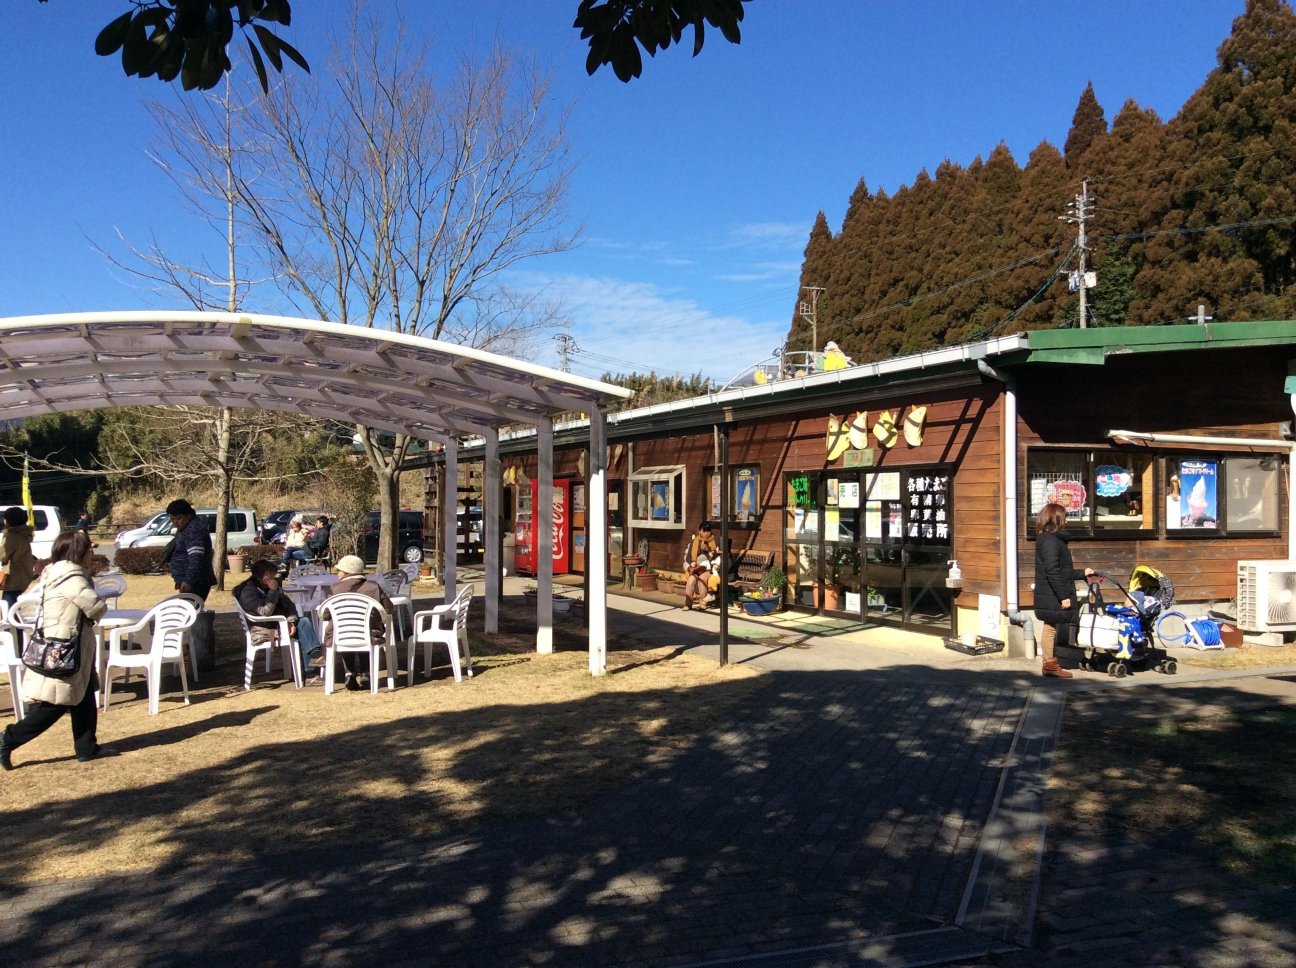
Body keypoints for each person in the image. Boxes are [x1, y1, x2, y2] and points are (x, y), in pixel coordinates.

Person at [1, 530, 114, 769]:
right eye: (88, 548)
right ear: (78, 552)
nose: (91, 553)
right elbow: (95, 608)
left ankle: (86, 747)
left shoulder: (54, 573)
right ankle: (7, 739)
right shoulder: (73, 578)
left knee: (83, 696)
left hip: (64, 645)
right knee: (55, 704)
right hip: (67, 649)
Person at [234, 559, 324, 685]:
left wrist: (291, 622)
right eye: (270, 574)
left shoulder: (270, 586)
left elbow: (289, 604)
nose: (273, 577)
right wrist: (272, 591)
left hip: (279, 624)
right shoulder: (248, 591)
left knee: (302, 623)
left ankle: (312, 663)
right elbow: (265, 612)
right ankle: (312, 666)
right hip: (262, 628)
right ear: (260, 576)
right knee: (303, 625)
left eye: (274, 573)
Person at [1033, 502, 1094, 680]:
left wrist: (1083, 573)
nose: (1066, 521)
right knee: (1050, 627)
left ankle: (1050, 662)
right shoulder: (1050, 541)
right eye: (1064, 517)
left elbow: (1061, 570)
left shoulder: (1050, 539)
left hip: (1051, 592)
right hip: (1052, 593)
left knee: (1050, 626)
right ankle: (1049, 665)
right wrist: (1063, 596)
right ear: (1056, 518)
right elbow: (1052, 570)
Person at [319, 554, 392, 691]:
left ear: (347, 572)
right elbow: (388, 608)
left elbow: (326, 614)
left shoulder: (335, 588)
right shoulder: (374, 586)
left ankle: (349, 673)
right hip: (370, 634)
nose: (337, 574)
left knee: (346, 632)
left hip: (341, 635)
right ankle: (365, 672)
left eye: (339, 571)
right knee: (365, 631)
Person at [166, 499, 216, 601]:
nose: (175, 522)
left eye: (179, 518)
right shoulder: (186, 527)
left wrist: (189, 580)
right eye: (172, 519)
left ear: (188, 515)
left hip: (196, 581)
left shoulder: (194, 530)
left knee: (190, 613)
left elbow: (196, 558)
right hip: (188, 579)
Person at [0, 506, 37, 608]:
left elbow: (2, 556)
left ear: (8, 521)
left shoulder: (12, 536)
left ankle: (14, 623)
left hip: (13, 577)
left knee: (9, 607)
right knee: (14, 606)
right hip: (24, 575)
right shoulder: (25, 533)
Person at [682, 521, 719, 610]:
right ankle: (688, 603)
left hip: (708, 569)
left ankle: (703, 602)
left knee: (702, 579)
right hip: (696, 568)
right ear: (700, 531)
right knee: (691, 580)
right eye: (704, 531)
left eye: (708, 531)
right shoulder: (694, 542)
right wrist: (691, 563)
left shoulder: (714, 542)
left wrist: (707, 549)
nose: (706, 533)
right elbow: (688, 557)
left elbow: (716, 556)